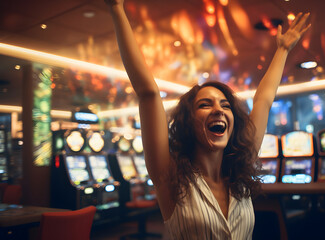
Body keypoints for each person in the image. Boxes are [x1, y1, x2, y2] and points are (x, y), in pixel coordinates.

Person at [105, 0, 310, 239]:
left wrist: (283, 49)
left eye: (225, 105)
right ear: (188, 122)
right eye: (205, 104)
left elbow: (263, 100)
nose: (219, 110)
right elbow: (148, 93)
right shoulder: (170, 177)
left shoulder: (239, 174)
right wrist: (116, 8)